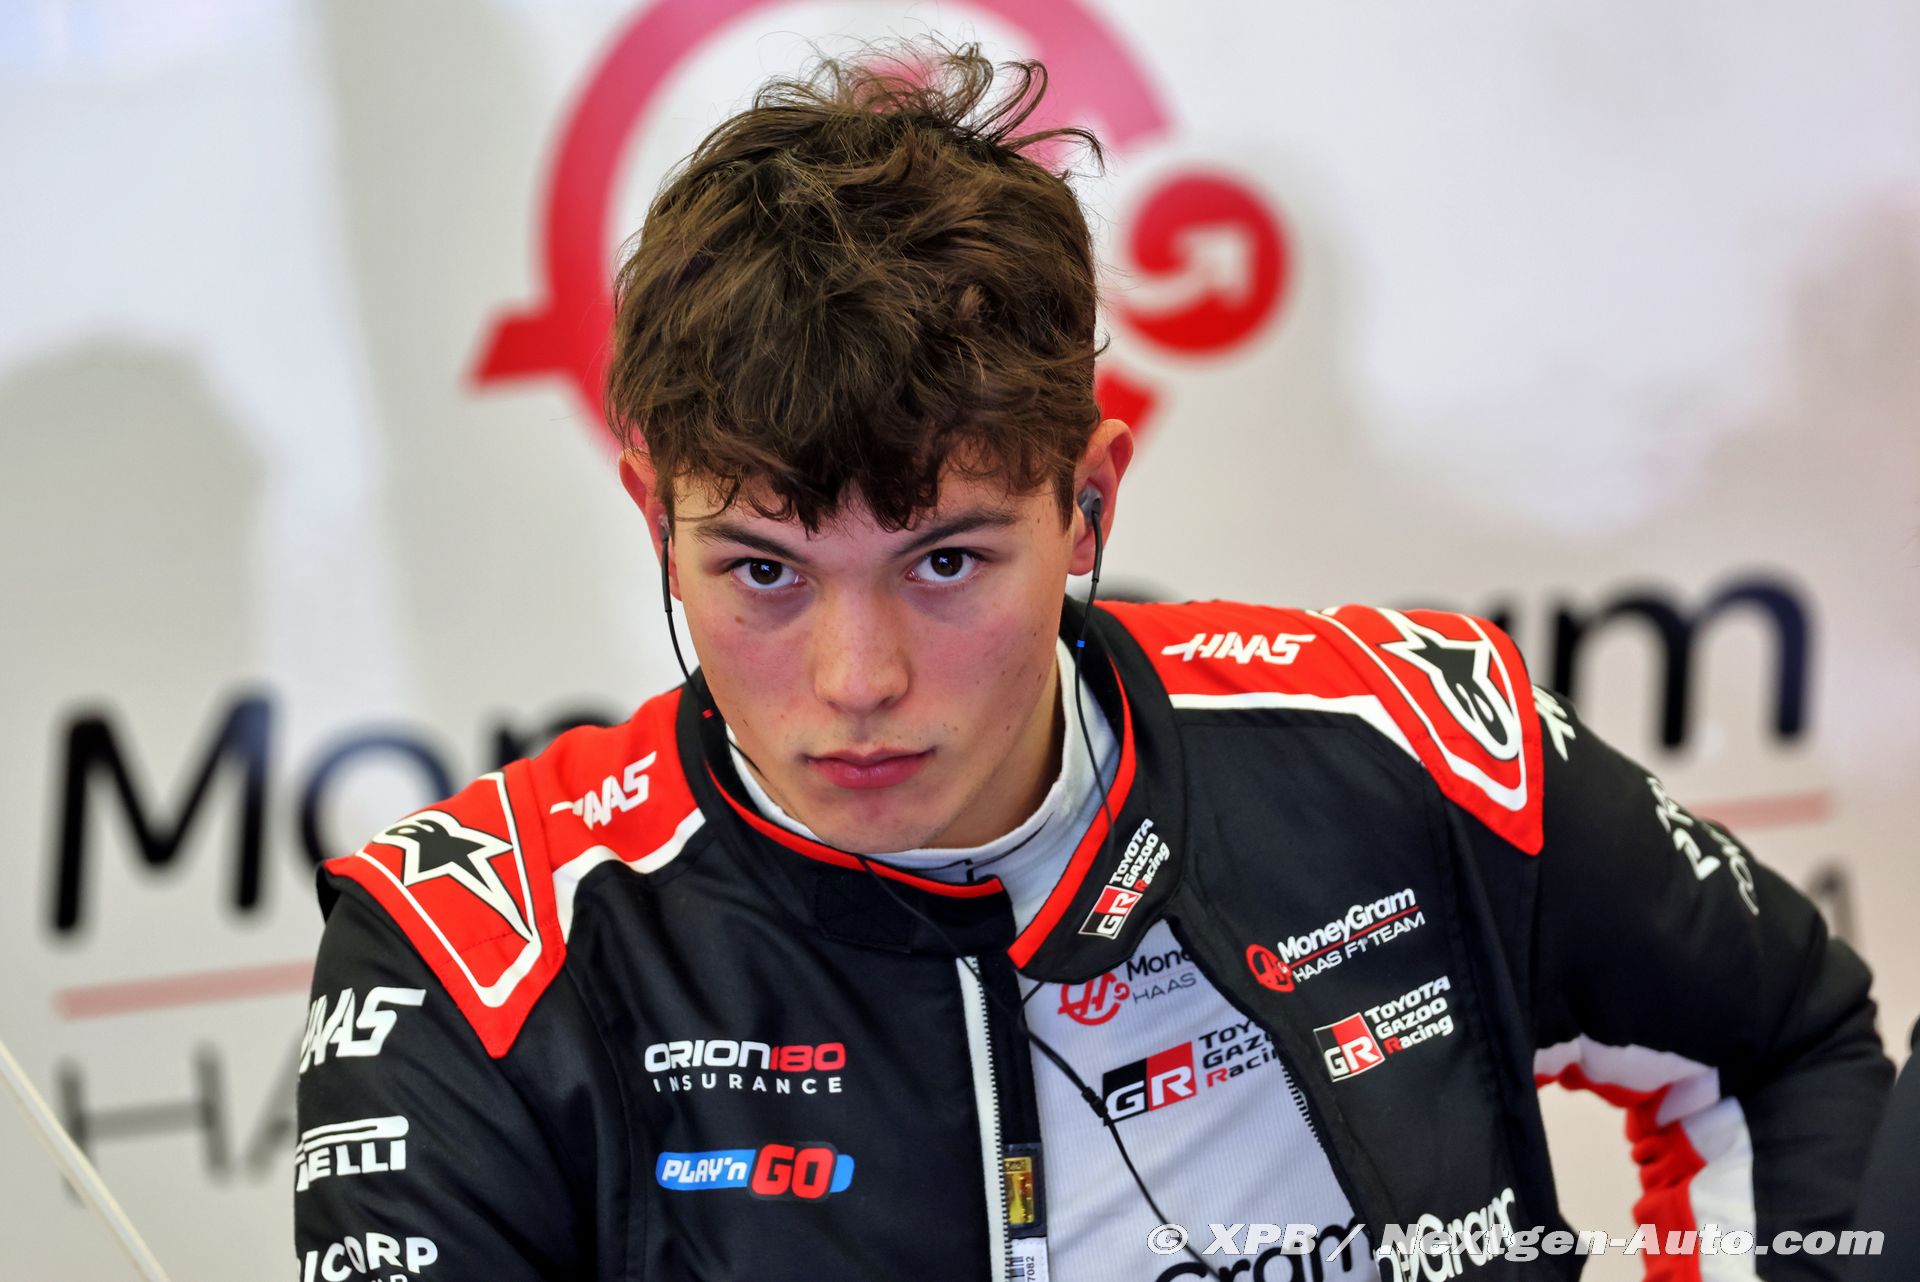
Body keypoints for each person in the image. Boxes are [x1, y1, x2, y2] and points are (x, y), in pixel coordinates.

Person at [292, 40, 1891, 1282]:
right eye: (763, 570)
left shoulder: (1405, 735)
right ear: (655, 515)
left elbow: (1785, 1041)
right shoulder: (470, 959)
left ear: (1090, 502)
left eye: (946, 561)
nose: (857, 677)